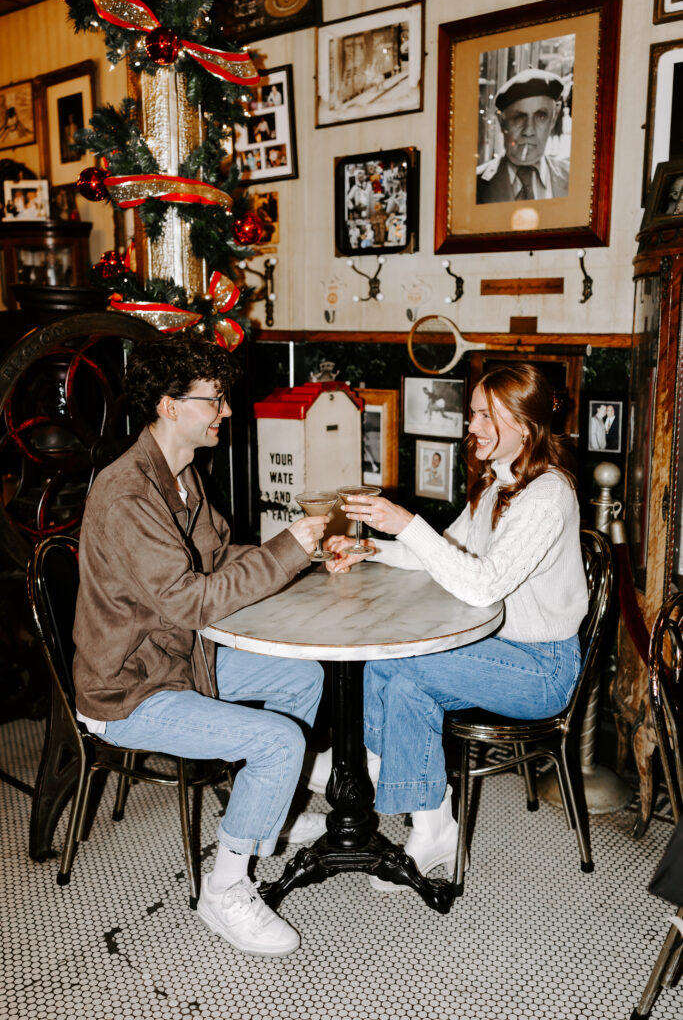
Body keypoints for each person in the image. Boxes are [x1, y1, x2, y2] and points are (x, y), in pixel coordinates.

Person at [72, 338, 331, 956]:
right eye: (213, 400)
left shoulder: (182, 475)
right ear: (167, 406)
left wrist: (310, 556)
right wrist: (288, 548)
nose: (226, 412)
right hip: (129, 688)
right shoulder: (128, 493)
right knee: (280, 739)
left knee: (304, 677)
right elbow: (191, 599)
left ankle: (273, 809)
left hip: (179, 659)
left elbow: (216, 560)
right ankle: (225, 889)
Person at [323, 364, 588, 891]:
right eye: (473, 414)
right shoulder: (500, 483)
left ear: (526, 423)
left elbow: (482, 585)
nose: (473, 427)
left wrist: (405, 522)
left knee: (394, 659)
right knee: (399, 673)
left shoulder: (547, 496)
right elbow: (441, 555)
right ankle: (429, 822)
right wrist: (369, 550)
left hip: (543, 670)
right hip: (499, 649)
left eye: (486, 416)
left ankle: (368, 776)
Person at [476, 68, 570, 205]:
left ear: (553, 119)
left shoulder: (575, 179)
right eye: (519, 117)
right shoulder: (475, 184)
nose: (529, 131)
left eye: (541, 116)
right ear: (502, 121)